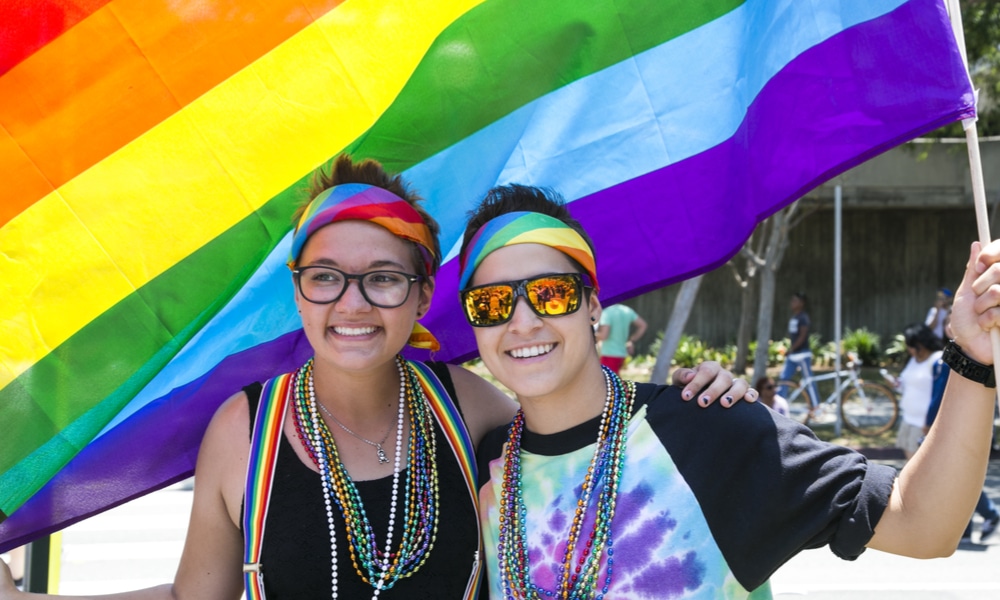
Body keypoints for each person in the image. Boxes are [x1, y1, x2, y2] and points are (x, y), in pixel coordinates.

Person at [0, 157, 751, 599]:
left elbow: (594, 433)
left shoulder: (474, 411)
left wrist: (707, 397)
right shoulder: (245, 433)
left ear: (423, 296)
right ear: (298, 292)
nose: (352, 304)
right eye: (326, 277)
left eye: (383, 280)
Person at [460, 184, 999, 598]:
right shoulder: (484, 477)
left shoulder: (704, 425)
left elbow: (923, 522)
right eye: (491, 304)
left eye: (550, 294)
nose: (523, 322)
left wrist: (972, 357)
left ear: (594, 305)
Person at [924, 320, 1000, 543]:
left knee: (958, 474)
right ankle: (966, 529)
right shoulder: (951, 355)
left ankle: (988, 515)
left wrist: (930, 423)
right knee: (956, 474)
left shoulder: (962, 355)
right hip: (955, 424)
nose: (951, 324)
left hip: (962, 425)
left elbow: (939, 397)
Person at [892, 323, 944, 460]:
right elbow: (905, 384)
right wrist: (896, 384)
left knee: (921, 465)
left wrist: (929, 422)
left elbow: (939, 395)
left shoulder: (938, 360)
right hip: (908, 419)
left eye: (911, 345)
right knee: (910, 461)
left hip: (924, 424)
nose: (908, 349)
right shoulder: (913, 360)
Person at [776, 292, 820, 409]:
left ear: (802, 303)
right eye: (792, 300)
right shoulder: (794, 317)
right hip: (793, 355)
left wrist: (792, 348)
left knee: (808, 380)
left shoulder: (803, 317)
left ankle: (815, 406)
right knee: (784, 379)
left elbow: (802, 336)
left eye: (795, 301)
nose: (792, 303)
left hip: (802, 354)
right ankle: (777, 404)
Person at [595, 303, 647, 374]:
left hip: (609, 354)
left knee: (608, 381)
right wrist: (631, 340)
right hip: (621, 354)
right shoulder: (627, 310)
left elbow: (604, 335)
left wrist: (591, 335)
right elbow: (643, 325)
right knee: (614, 380)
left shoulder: (607, 312)